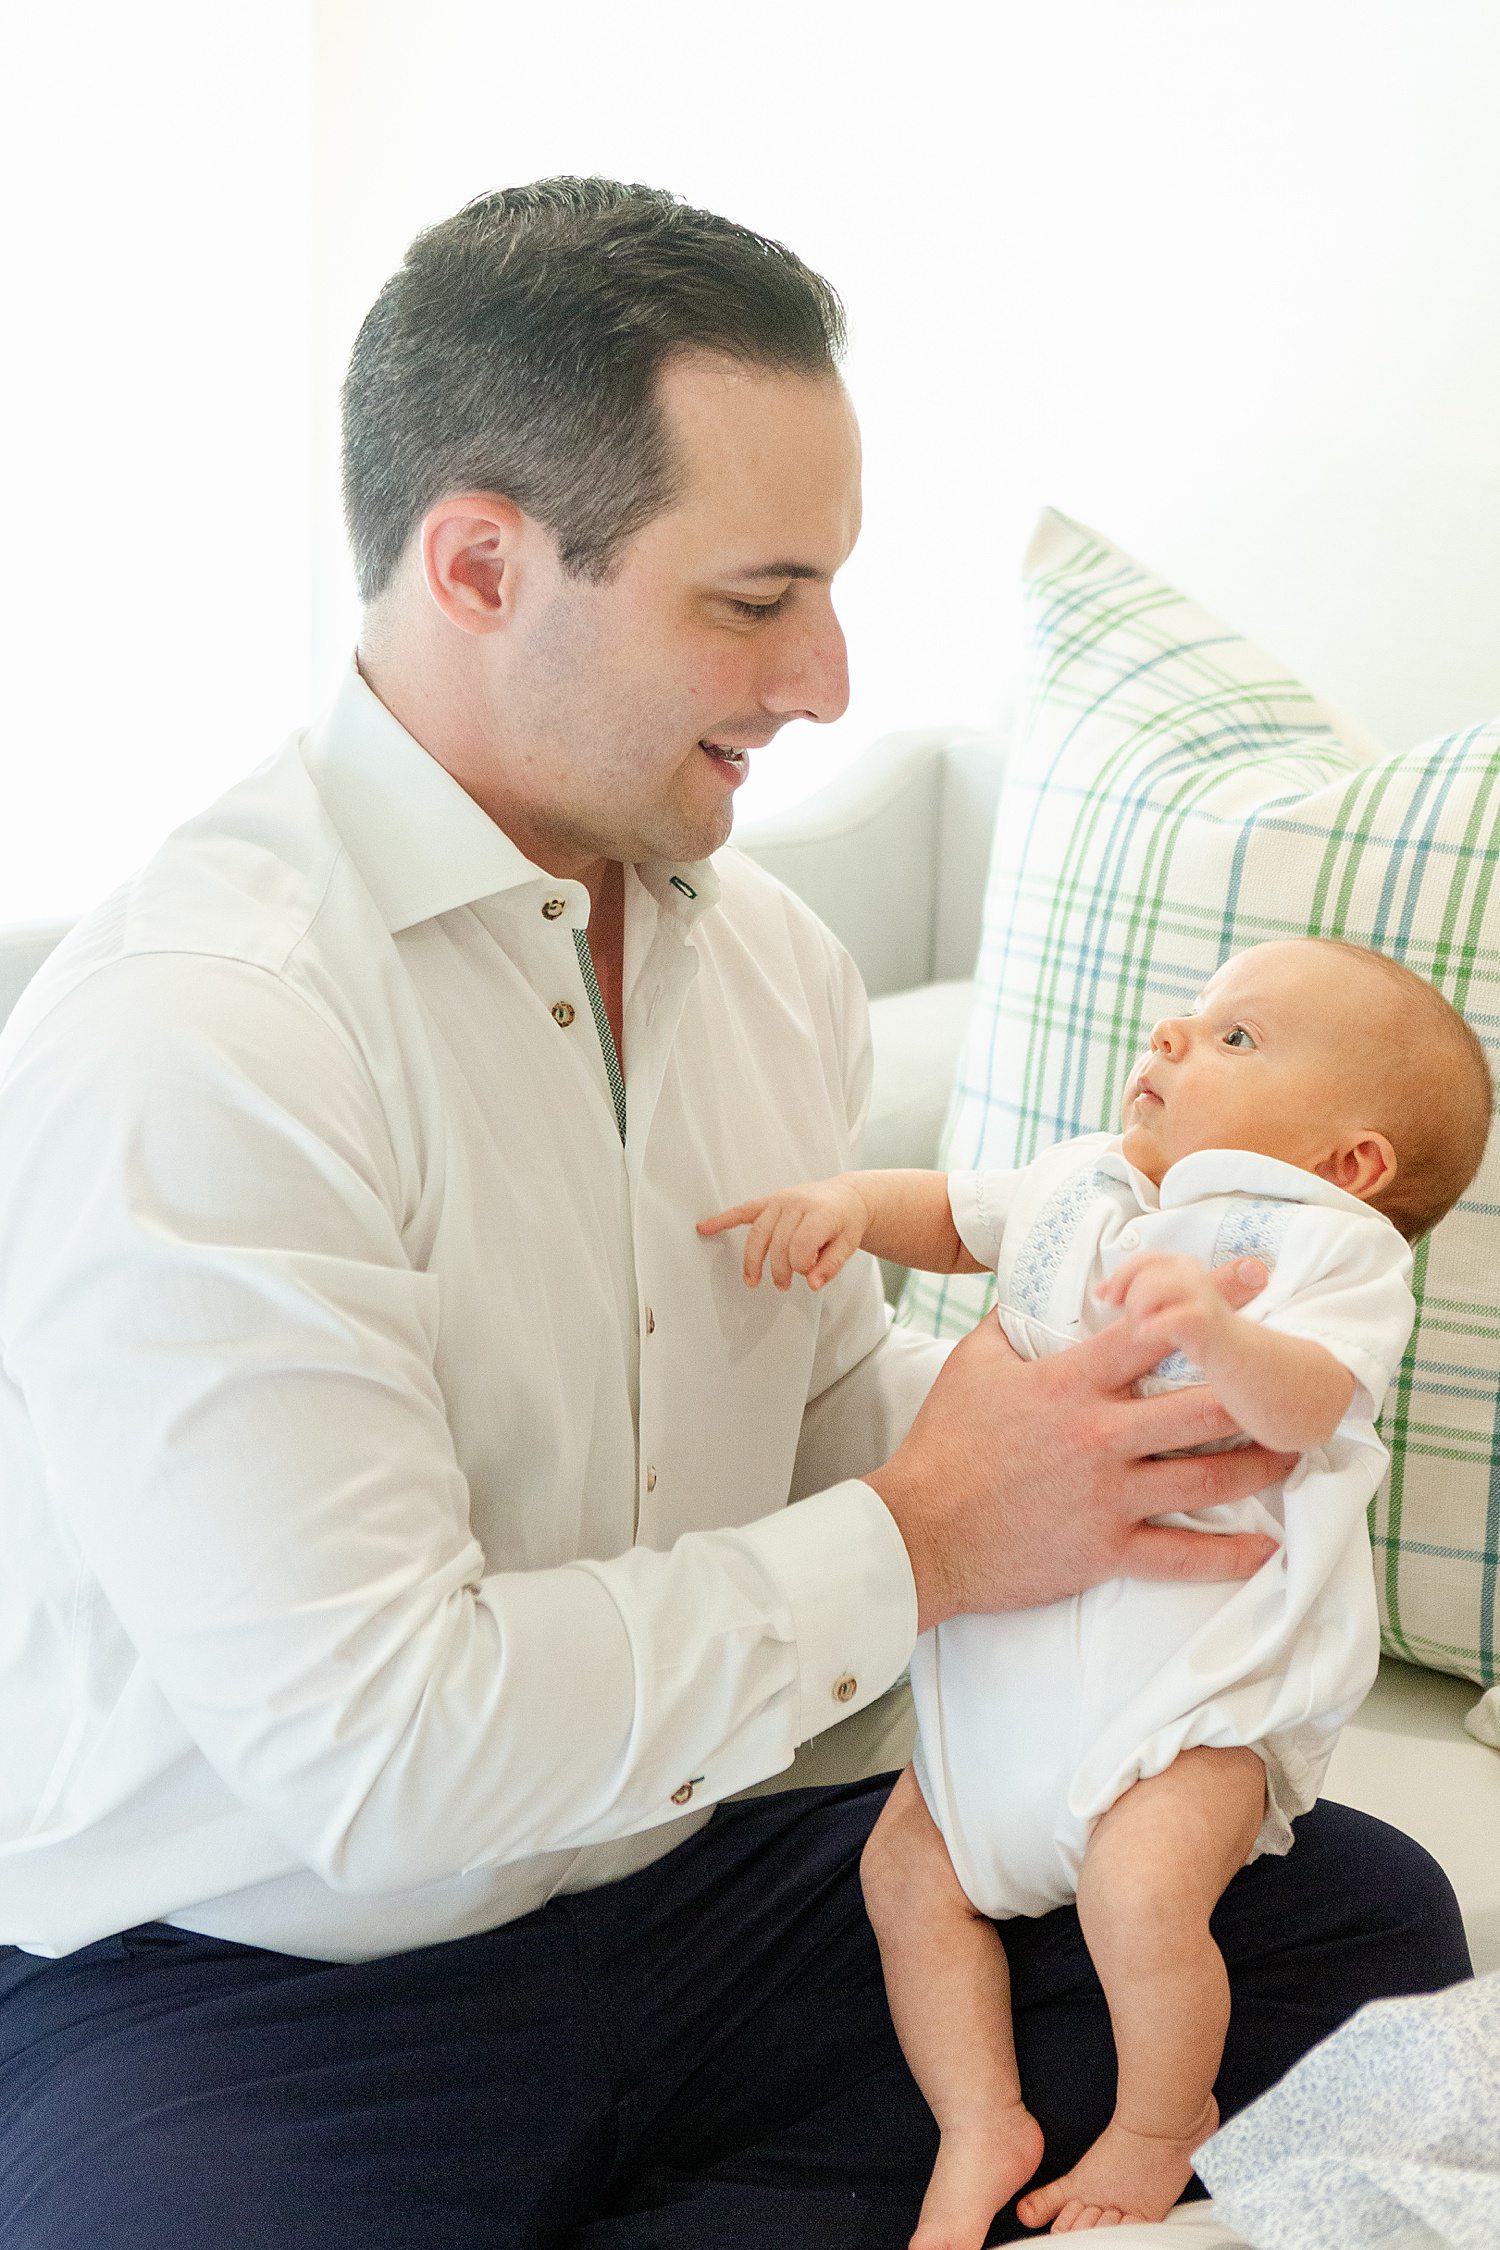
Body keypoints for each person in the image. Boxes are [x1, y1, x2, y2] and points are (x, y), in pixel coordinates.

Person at [0, 181, 1470, 2250]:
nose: (835, 678)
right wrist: (941, 1526)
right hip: (249, 1979)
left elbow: (805, 1428)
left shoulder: (761, 960)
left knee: (1360, 1929)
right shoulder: (204, 1038)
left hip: (687, 1893)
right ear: (484, 564)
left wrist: (1105, 1429)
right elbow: (385, 1754)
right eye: (759, 597)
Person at [701, 935, 1493, 2240]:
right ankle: (980, 2116)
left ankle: (1153, 2121)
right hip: (996, 1697)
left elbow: (1309, 1406)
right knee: (907, 1871)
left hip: (1186, 1706)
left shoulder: (1331, 1250)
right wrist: (849, 1205)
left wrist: (1216, 1330)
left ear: (1353, 1161)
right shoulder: (1091, 1184)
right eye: (1188, 1018)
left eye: (1238, 1037)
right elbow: (958, 1215)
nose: (1177, 1038)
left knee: (1143, 1893)